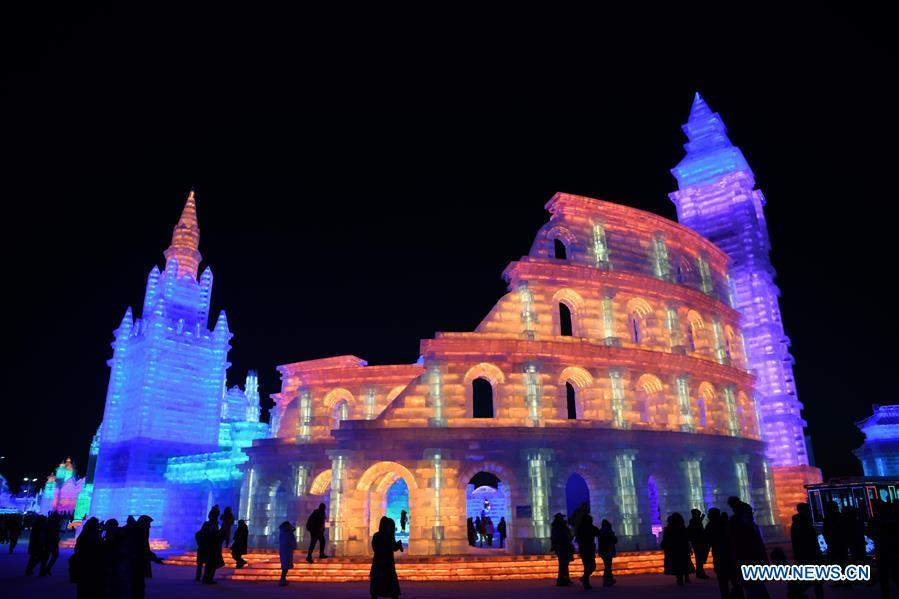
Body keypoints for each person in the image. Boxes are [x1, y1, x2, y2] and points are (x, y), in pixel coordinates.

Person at [791, 503, 823, 599]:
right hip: (808, 555)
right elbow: (807, 540)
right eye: (808, 510)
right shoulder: (803, 523)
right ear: (802, 511)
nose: (810, 511)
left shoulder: (798, 523)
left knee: (814, 579)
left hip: (805, 555)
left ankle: (797, 593)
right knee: (815, 580)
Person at [706, 508, 739, 599]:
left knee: (723, 581)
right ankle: (738, 595)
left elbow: (707, 539)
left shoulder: (710, 525)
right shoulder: (726, 523)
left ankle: (726, 596)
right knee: (734, 578)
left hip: (719, 555)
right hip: (729, 554)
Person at [370, 516, 403, 599]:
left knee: (391, 587)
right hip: (380, 565)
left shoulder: (389, 536)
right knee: (377, 586)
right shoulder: (377, 536)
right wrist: (391, 547)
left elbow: (392, 547)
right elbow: (376, 549)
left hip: (387, 565)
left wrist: (397, 546)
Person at [70, 517, 103, 599]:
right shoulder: (94, 537)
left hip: (84, 567)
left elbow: (77, 550)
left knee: (83, 590)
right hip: (90, 567)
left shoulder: (83, 536)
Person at [661, 512, 694, 586]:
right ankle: (685, 576)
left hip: (674, 549)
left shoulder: (669, 528)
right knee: (684, 562)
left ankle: (680, 578)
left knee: (677, 564)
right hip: (682, 548)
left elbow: (666, 539)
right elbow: (686, 538)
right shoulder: (681, 528)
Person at [576, 512, 600, 589]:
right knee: (591, 566)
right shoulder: (589, 527)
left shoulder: (581, 528)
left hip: (585, 549)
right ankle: (585, 580)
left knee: (588, 566)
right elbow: (598, 533)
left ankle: (585, 580)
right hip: (587, 549)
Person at [550, 513, 574, 586]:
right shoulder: (560, 527)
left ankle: (564, 579)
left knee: (564, 564)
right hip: (563, 546)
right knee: (563, 564)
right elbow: (565, 536)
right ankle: (562, 579)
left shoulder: (556, 527)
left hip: (561, 546)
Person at [200, 516, 223, 585]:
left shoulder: (210, 532)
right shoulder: (212, 533)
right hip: (212, 551)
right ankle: (208, 578)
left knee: (210, 565)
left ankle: (207, 578)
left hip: (210, 551)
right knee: (210, 565)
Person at [687, 508, 710, 579]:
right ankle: (700, 573)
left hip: (697, 542)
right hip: (698, 542)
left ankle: (699, 572)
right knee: (699, 558)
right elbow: (698, 531)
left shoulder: (695, 522)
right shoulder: (695, 522)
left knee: (699, 558)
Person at [597, 518, 617, 587]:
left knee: (607, 566)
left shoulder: (601, 532)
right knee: (608, 566)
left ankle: (608, 580)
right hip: (607, 551)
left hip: (604, 551)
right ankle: (607, 581)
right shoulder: (607, 532)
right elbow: (614, 540)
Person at [278, 521, 297, 587]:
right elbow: (291, 541)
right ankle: (282, 580)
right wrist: (294, 546)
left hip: (284, 550)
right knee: (286, 566)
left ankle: (283, 579)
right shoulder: (288, 533)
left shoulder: (283, 532)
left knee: (285, 566)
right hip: (287, 551)